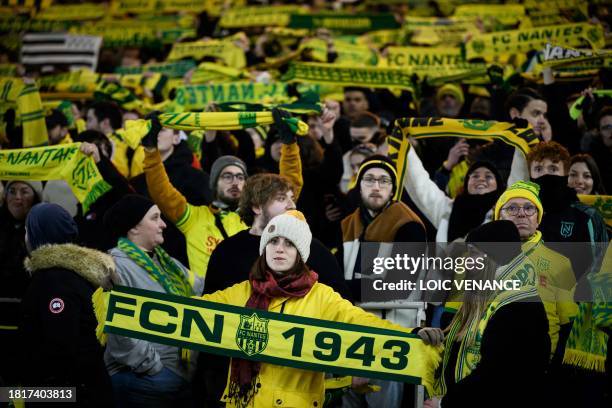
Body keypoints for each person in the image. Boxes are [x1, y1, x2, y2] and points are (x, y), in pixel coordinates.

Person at [200, 210, 443, 407]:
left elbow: (360, 323)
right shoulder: (241, 291)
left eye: (289, 243)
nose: (280, 248)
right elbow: (196, 312)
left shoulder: (321, 296)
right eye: (273, 241)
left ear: (301, 254)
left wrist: (408, 336)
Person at [199, 173, 352, 406]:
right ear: (257, 206)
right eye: (282, 198)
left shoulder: (313, 251)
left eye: (292, 198)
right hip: (233, 382)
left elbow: (345, 313)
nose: (292, 204)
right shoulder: (226, 252)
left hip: (294, 385)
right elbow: (206, 313)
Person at [140, 110, 303, 278]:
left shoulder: (259, 216)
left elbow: (289, 188)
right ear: (213, 184)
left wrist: (289, 145)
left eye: (240, 177)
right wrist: (151, 151)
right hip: (209, 302)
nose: (234, 182)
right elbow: (160, 190)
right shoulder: (193, 218)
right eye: (227, 176)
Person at [425, 221, 550, 408]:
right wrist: (425, 335)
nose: (467, 261)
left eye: (474, 253)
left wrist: (446, 403)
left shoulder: (519, 309)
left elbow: (496, 375)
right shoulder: (487, 294)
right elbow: (456, 347)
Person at [103, 195, 204, 408]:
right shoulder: (114, 267)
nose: (163, 224)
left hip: (177, 376)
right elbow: (119, 331)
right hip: (146, 380)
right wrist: (153, 368)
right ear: (134, 228)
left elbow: (204, 291)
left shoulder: (168, 264)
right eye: (155, 218)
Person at [20, 203, 116, 407]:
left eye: (28, 231)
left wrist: (21, 396)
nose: (25, 236)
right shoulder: (70, 274)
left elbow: (60, 354)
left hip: (71, 394)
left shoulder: (54, 281)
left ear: (39, 235)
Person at [494, 181, 578, 362]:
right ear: (498, 217)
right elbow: (455, 316)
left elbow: (568, 324)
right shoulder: (477, 257)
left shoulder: (560, 263)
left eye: (529, 208)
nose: (521, 214)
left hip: (541, 365)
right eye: (512, 208)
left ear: (538, 218)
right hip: (484, 362)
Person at [526, 141, 608, 279]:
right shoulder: (521, 215)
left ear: (566, 174)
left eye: (553, 169)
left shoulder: (587, 216)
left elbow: (600, 271)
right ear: (530, 175)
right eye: (538, 169)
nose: (546, 175)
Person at [0, 180, 42, 386]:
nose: (17, 197)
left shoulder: (42, 233)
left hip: (27, 321)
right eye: (12, 191)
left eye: (24, 191)